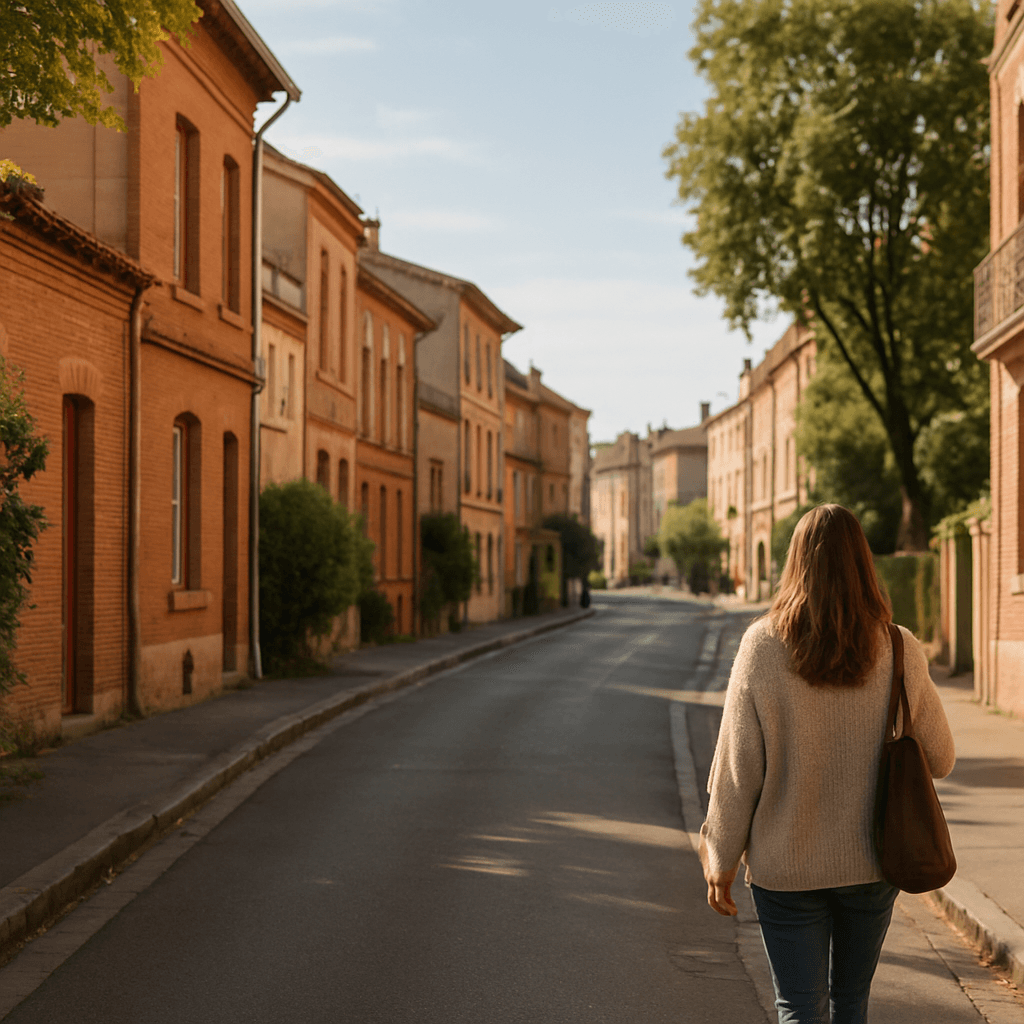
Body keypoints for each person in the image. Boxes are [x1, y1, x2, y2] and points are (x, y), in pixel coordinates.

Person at [699, 504, 955, 1024]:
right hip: (871, 863)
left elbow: (736, 768)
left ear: (795, 563)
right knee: (851, 1002)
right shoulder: (899, 647)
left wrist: (720, 858)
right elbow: (942, 758)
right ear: (864, 563)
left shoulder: (761, 645)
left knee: (797, 1005)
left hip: (784, 866)